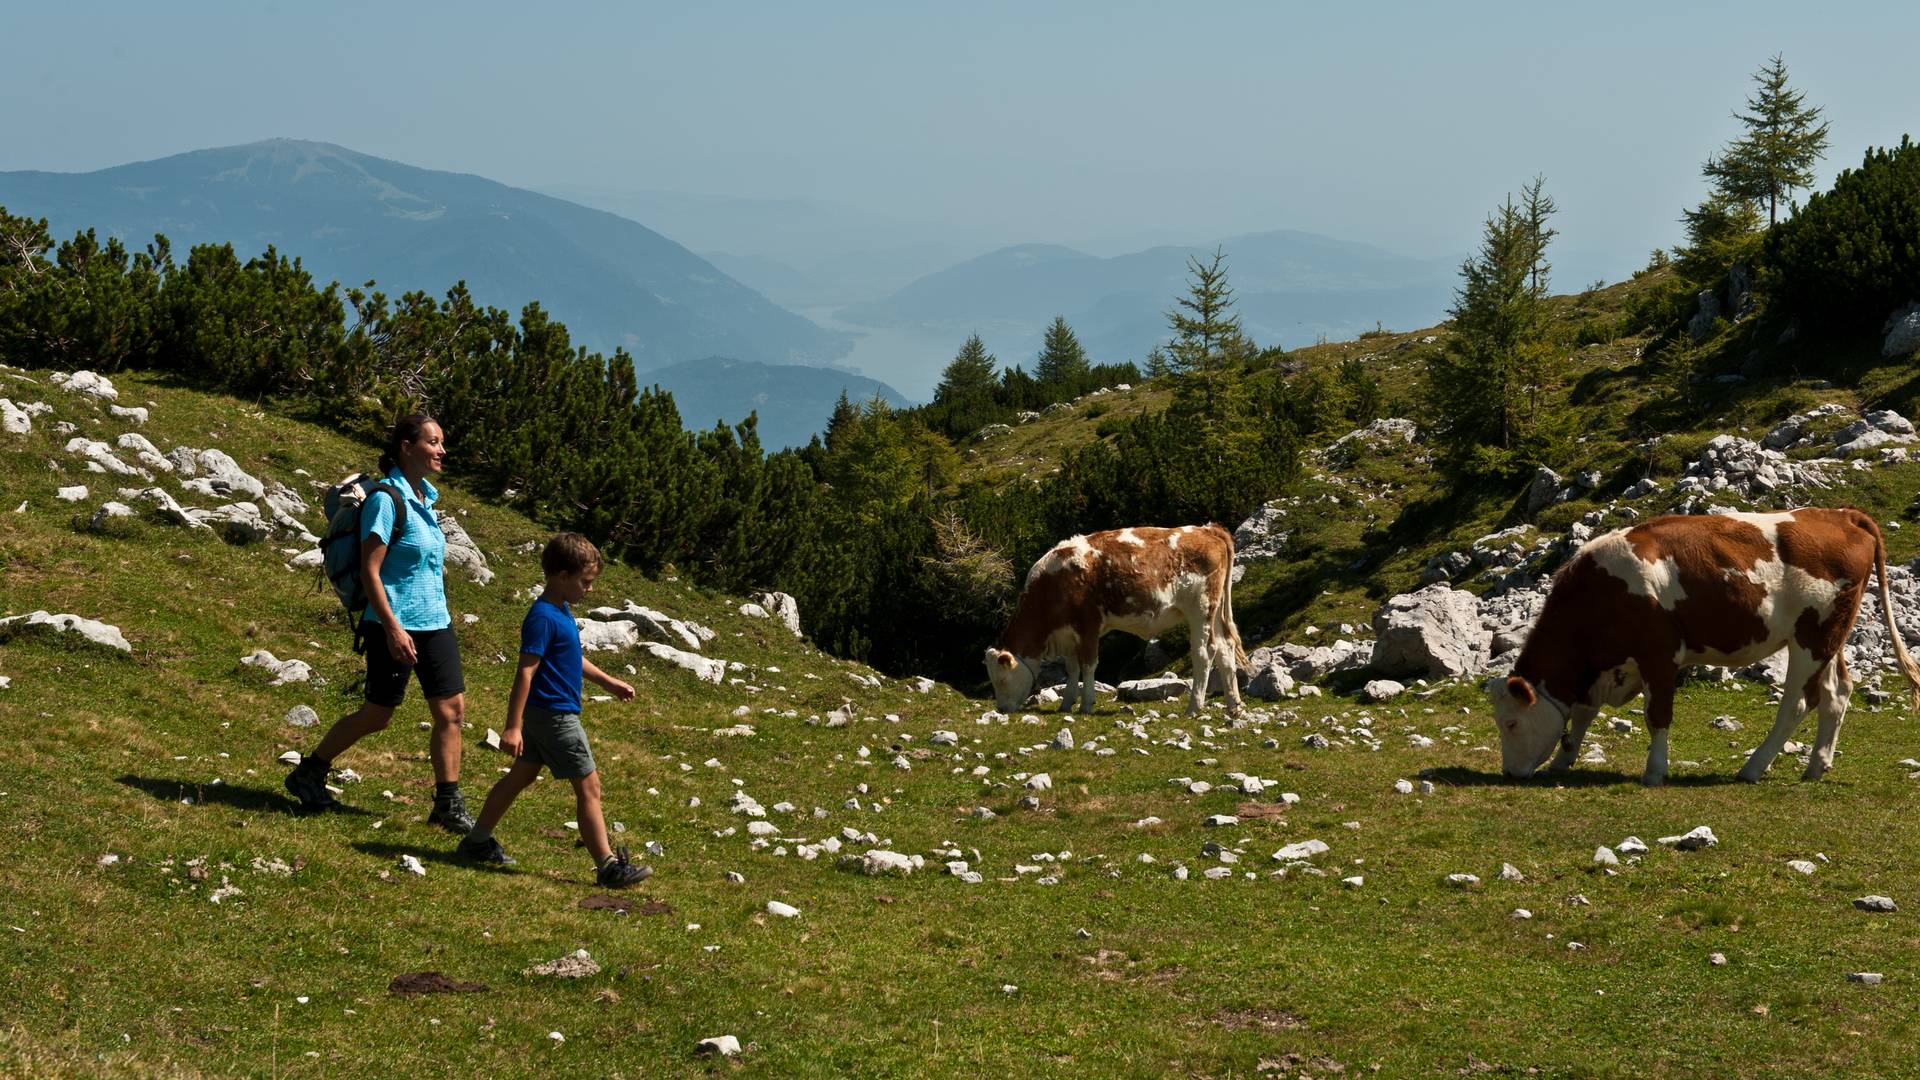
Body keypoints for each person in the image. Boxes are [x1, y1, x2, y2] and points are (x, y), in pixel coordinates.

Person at [285, 414, 475, 833]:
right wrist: (392, 628)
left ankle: (448, 802)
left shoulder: (425, 499)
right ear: (406, 447)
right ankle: (310, 771)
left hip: (434, 622)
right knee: (378, 714)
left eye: (441, 442)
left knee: (452, 711)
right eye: (433, 442)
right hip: (393, 623)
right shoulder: (386, 501)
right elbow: (372, 572)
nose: (441, 450)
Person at [456, 533, 651, 886]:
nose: (589, 590)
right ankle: (608, 866)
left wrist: (608, 682)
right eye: (585, 582)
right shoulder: (543, 617)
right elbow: (525, 671)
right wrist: (511, 727)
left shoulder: (560, 610)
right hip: (555, 716)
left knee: (521, 776)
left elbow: (572, 657)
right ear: (561, 575)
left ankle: (476, 840)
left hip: (543, 715)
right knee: (589, 787)